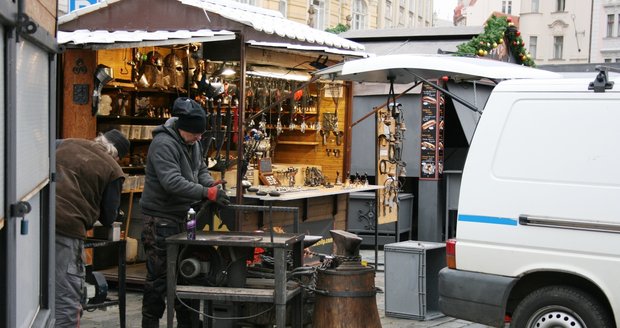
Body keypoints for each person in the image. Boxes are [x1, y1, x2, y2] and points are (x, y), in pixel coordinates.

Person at [140, 97, 230, 328]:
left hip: (185, 218)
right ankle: (150, 323)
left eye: (201, 133)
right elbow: (172, 182)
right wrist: (205, 193)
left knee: (188, 273)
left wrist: (211, 186)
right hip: (160, 219)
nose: (200, 138)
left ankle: (188, 324)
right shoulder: (163, 144)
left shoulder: (193, 143)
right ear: (182, 128)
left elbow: (199, 170)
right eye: (196, 133)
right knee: (159, 278)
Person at [55, 129, 130, 327]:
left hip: (33, 219)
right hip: (66, 228)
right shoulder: (113, 169)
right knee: (66, 292)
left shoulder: (65, 143)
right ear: (117, 156)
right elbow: (109, 217)